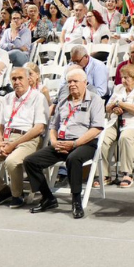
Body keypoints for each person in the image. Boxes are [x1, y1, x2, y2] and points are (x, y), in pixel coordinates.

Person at [23, 68, 106, 219]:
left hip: (84, 143)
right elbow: (54, 126)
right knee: (30, 161)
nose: (72, 84)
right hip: (61, 142)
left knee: (73, 158)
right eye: (69, 82)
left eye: (75, 81)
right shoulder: (63, 101)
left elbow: (97, 128)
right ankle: (48, 197)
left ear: (85, 83)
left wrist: (74, 144)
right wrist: (54, 142)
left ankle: (76, 201)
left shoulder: (95, 100)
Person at [0, 68, 49, 208]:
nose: (17, 82)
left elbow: (39, 128)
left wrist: (12, 146)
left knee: (11, 161)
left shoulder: (38, 97)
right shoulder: (7, 98)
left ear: (28, 80)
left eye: (20, 78)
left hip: (28, 138)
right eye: (14, 79)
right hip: (6, 138)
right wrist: (0, 142)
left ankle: (17, 195)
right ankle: (2, 190)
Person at [99, 64, 134, 188]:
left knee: (125, 137)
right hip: (117, 122)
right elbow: (107, 108)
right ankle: (104, 174)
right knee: (103, 138)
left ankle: (127, 173)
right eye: (122, 77)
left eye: (126, 78)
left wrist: (119, 103)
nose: (123, 80)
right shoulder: (118, 88)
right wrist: (115, 108)